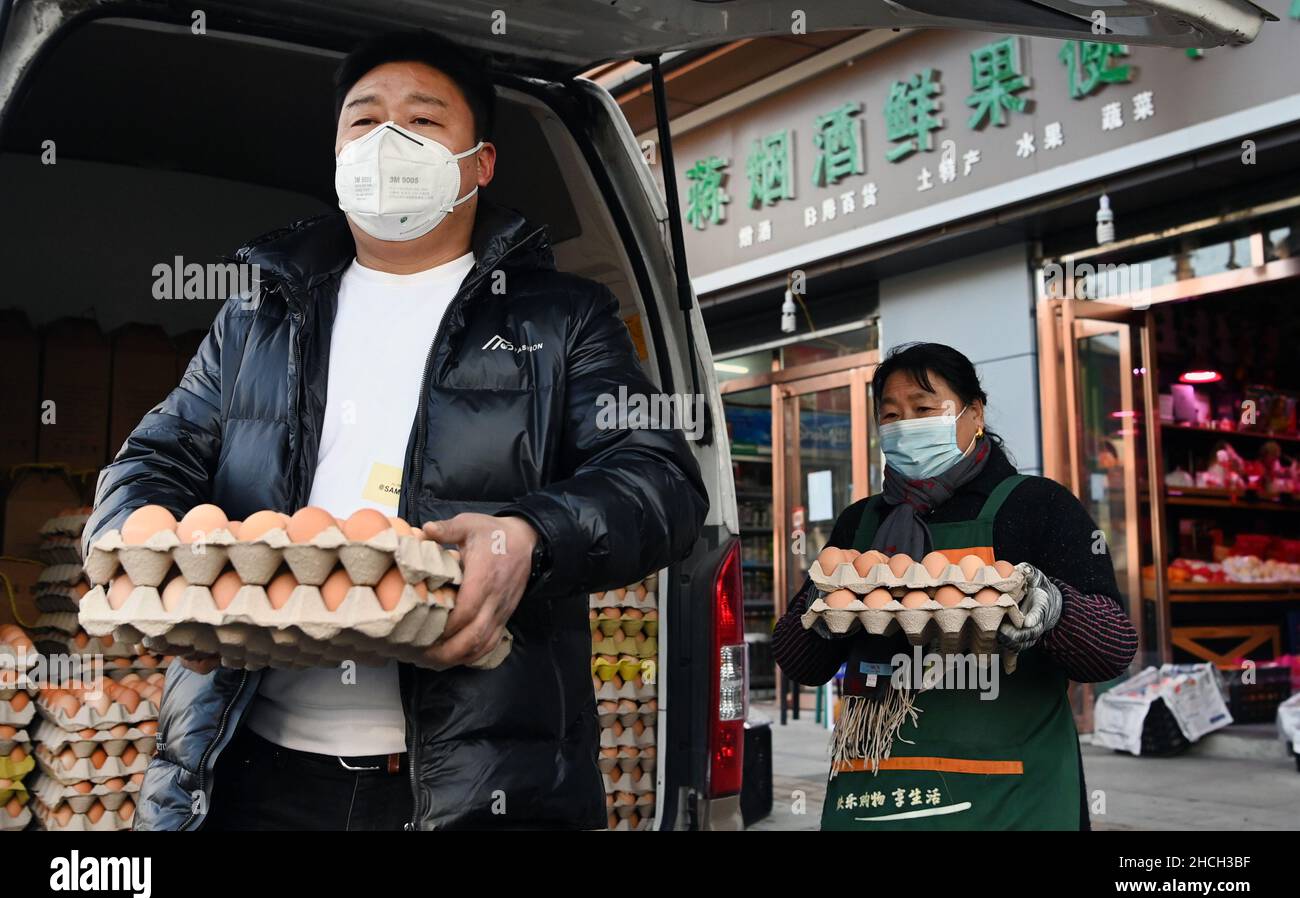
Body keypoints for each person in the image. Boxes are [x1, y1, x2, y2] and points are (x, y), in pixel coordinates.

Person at [83, 31, 708, 831]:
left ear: (479, 163)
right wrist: (149, 550)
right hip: (244, 767)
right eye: (364, 121)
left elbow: (661, 481)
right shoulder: (259, 312)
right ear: (337, 152)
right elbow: (157, 456)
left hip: (468, 784)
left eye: (421, 122)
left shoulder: (560, 319)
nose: (387, 142)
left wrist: (529, 536)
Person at [772, 342, 1136, 830]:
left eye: (924, 409)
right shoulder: (860, 523)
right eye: (891, 415)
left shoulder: (1036, 506)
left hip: (1007, 789)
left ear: (975, 411)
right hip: (880, 784)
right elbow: (800, 664)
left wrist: (1054, 609)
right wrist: (826, 605)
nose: (905, 427)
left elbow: (1112, 648)